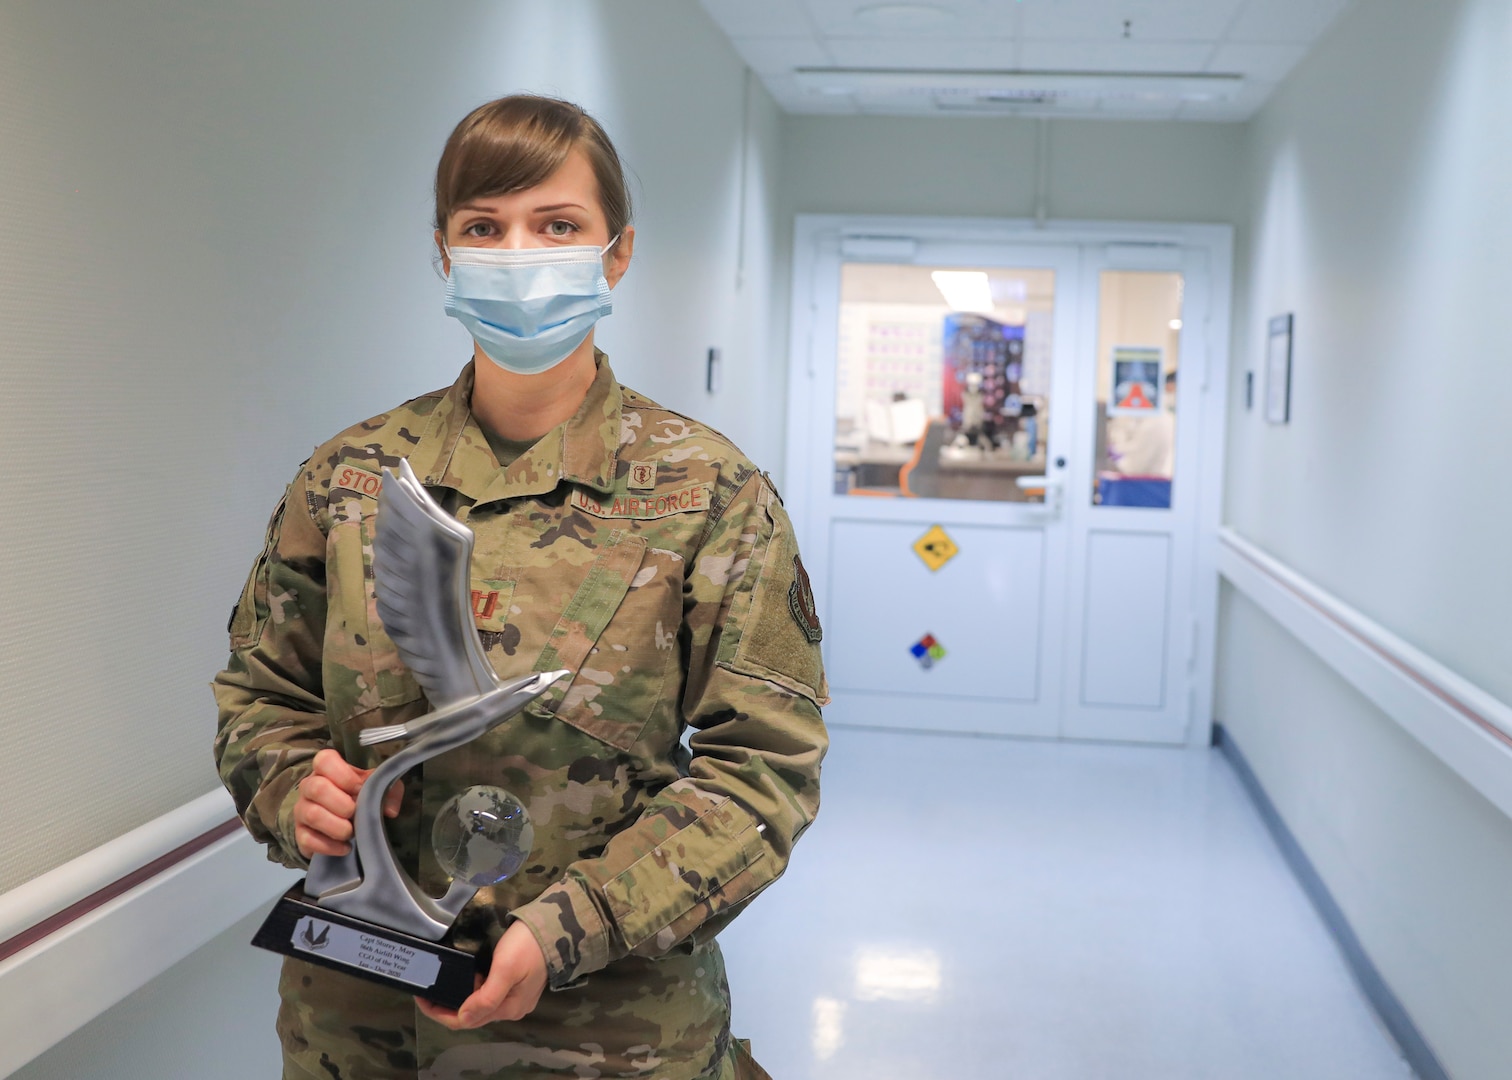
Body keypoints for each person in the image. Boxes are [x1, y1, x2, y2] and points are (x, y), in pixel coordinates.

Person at [213, 94, 828, 1080]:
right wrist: (293, 790)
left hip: (608, 1035)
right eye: (483, 228)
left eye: (557, 226)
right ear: (444, 254)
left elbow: (761, 774)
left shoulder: (711, 495)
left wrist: (569, 927)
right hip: (355, 1025)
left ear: (616, 254)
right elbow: (261, 697)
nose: (517, 253)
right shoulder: (350, 481)